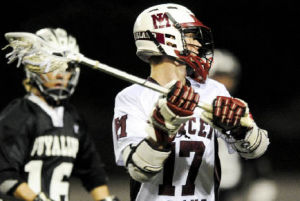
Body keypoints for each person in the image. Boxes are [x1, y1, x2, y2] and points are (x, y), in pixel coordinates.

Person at [112, 3, 269, 201]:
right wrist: (161, 131)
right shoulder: (131, 97)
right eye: (190, 35)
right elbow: (139, 170)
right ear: (165, 38)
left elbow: (256, 150)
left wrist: (241, 130)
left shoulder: (213, 90)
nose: (197, 43)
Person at [0, 28, 119, 201]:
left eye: (67, 67)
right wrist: (35, 199)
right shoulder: (19, 115)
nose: (61, 74)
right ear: (34, 67)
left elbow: (93, 172)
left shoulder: (72, 117)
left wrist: (104, 199)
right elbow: (3, 173)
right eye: (53, 66)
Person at [210, 49, 278, 201]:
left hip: (227, 184)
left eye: (229, 77)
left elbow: (254, 148)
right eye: (220, 76)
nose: (225, 82)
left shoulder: (238, 110)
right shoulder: (192, 109)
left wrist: (262, 177)